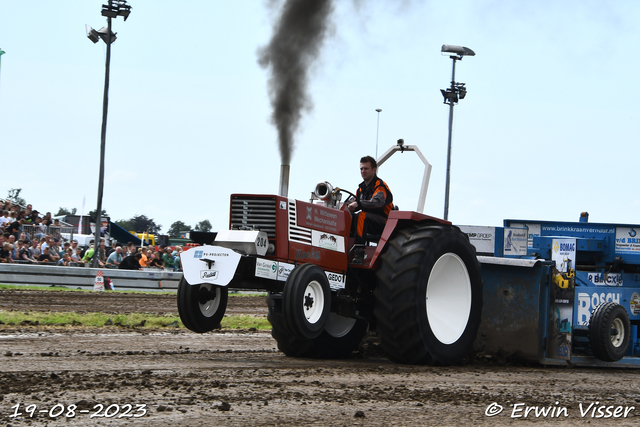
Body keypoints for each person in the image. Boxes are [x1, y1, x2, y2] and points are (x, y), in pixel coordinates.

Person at [347, 155, 394, 262]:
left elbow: (377, 202)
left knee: (361, 216)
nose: (363, 171)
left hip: (384, 223)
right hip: (368, 221)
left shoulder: (380, 186)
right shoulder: (360, 189)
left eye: (366, 168)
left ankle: (359, 252)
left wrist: (358, 204)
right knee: (348, 217)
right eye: (361, 168)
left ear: (374, 170)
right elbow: (353, 201)